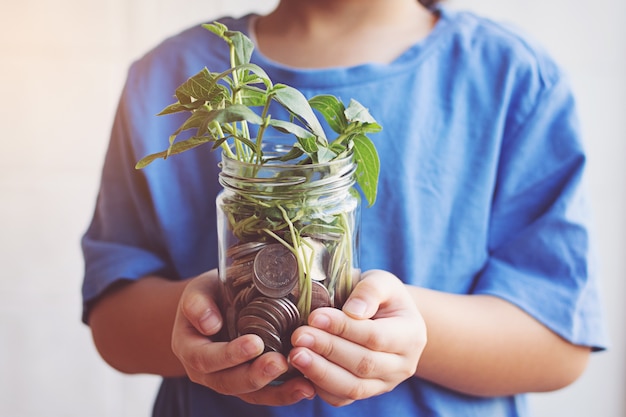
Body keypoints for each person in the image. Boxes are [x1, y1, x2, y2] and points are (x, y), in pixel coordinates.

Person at [82, 0, 608, 415]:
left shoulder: (514, 77)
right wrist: (203, 316)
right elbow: (112, 320)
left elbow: (559, 344)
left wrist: (410, 331)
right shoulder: (165, 77)